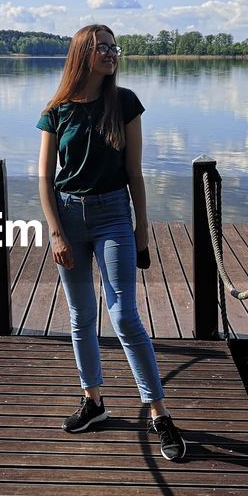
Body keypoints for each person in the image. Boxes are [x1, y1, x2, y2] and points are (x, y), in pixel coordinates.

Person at [37, 24, 186, 462]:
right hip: (68, 216)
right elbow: (45, 178)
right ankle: (94, 402)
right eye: (101, 46)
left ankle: (159, 414)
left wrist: (141, 230)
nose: (110, 52)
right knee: (81, 315)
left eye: (113, 46)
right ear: (82, 53)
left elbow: (134, 173)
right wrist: (56, 233)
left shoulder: (124, 103)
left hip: (112, 214)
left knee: (124, 315)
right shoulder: (58, 109)